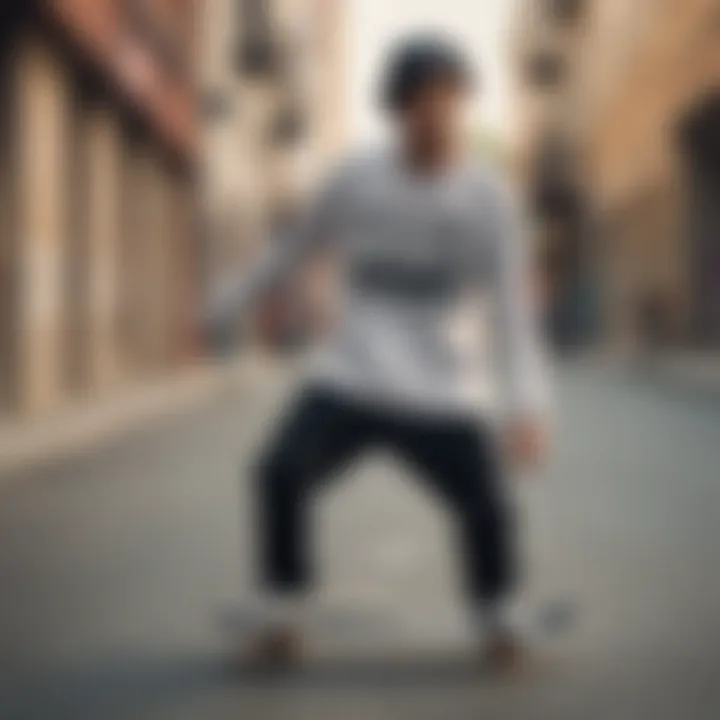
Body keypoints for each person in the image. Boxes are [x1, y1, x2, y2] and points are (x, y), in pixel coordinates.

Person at [208, 33, 551, 673]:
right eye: (422, 103)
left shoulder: (488, 198)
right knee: (279, 472)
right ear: (396, 111)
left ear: (464, 106)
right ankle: (285, 610)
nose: (438, 117)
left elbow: (510, 309)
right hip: (354, 377)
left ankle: (497, 616)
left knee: (487, 505)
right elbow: (291, 251)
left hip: (444, 388)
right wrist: (226, 302)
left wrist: (526, 406)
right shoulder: (357, 179)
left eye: (450, 101)